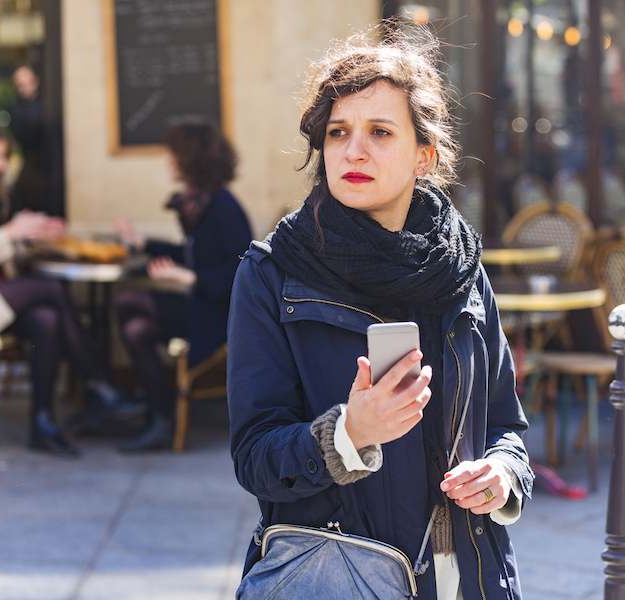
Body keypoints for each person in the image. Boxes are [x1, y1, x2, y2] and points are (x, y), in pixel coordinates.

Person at [227, 23, 533, 600]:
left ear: (425, 155)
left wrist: (502, 476)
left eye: (380, 131)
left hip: (465, 574)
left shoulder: (462, 265)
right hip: (340, 571)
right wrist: (348, 433)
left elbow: (505, 427)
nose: (354, 150)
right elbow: (255, 457)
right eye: (337, 132)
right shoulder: (271, 274)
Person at [0, 121, 145, 457]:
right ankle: (96, 383)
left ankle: (43, 423)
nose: (3, 165)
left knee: (47, 319)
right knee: (50, 289)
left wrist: (32, 235)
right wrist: (10, 233)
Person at [113, 118, 252, 452]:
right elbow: (192, 252)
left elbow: (244, 270)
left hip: (216, 318)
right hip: (201, 307)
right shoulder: (201, 203)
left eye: (174, 153)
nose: (169, 160)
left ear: (192, 158)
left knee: (128, 300)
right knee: (135, 328)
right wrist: (143, 243)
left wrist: (191, 278)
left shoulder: (222, 206)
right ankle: (162, 414)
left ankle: (155, 410)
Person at [9, 65, 48, 214]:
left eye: (27, 82)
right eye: (20, 85)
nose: (24, 88)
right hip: (31, 164)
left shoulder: (47, 104)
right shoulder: (17, 108)